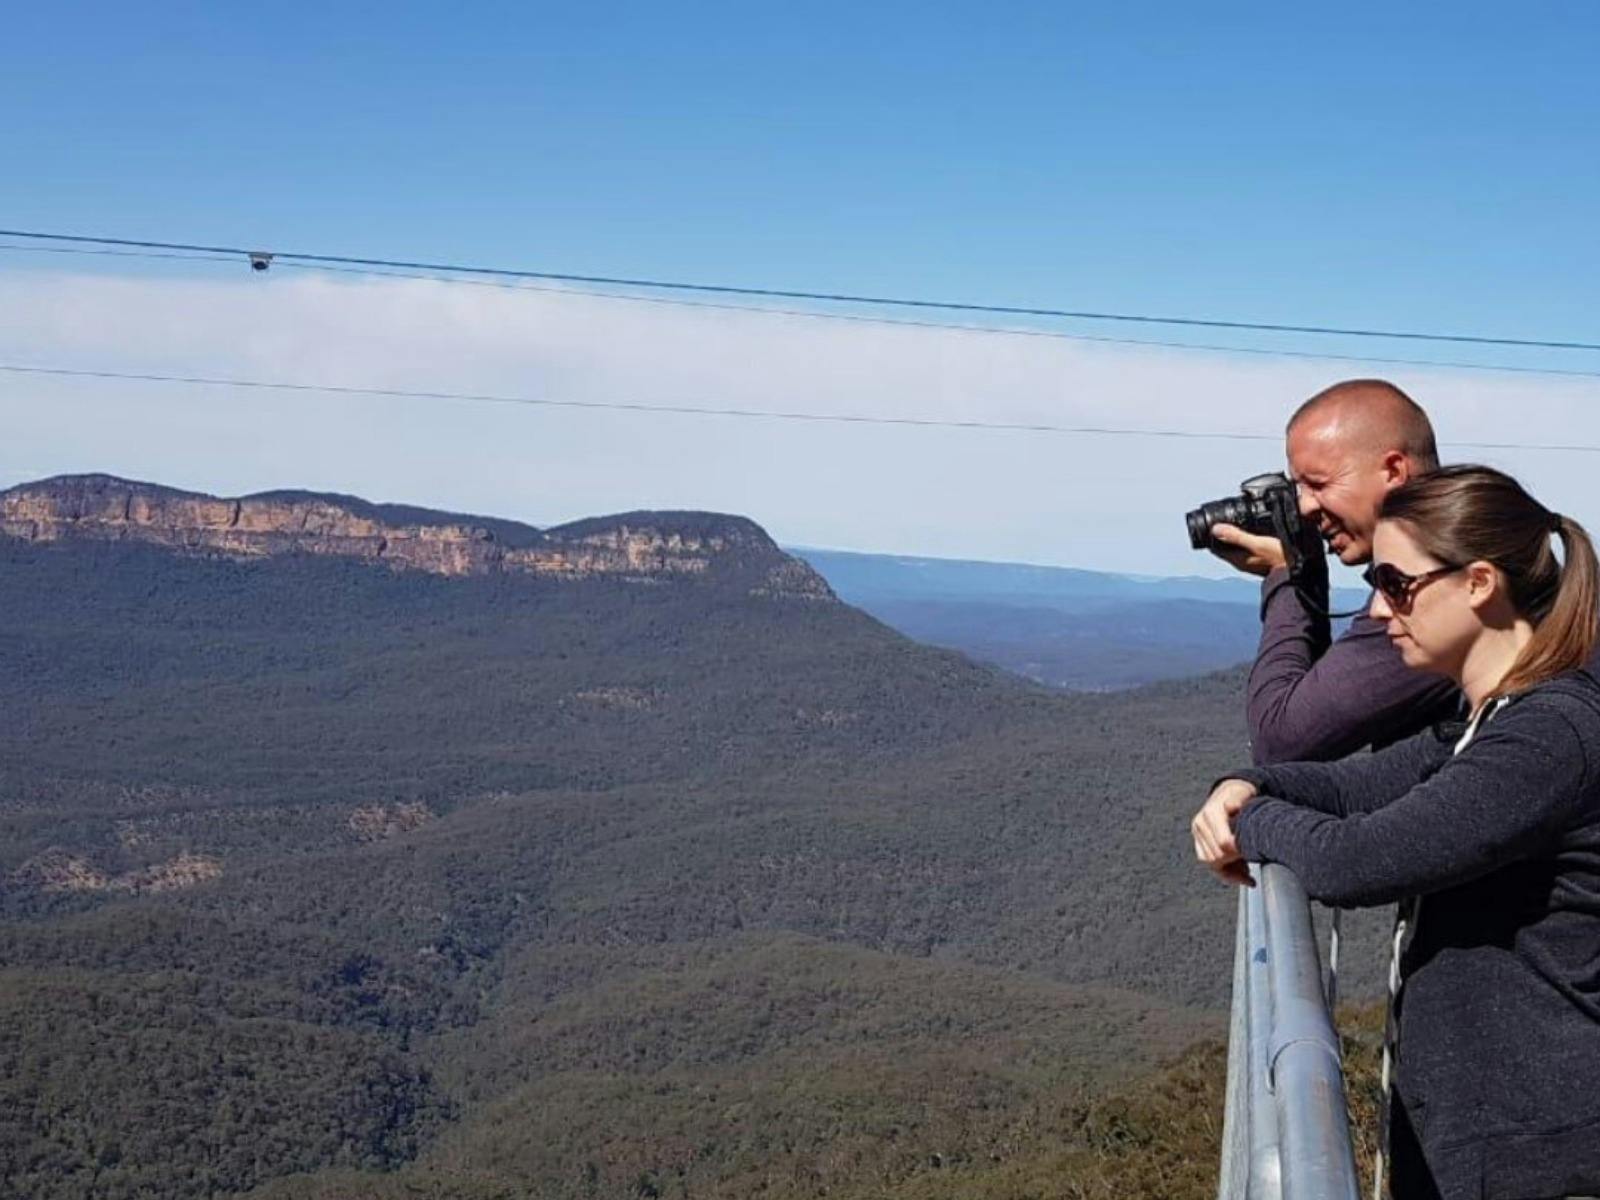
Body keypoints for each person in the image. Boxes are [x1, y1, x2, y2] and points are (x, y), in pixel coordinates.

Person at [1193, 465, 1600, 1199]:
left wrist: (1249, 821)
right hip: (1501, 1146)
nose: (1378, 612)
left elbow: (1357, 862)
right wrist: (1242, 784)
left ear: (1479, 583)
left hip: (1543, 1157)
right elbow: (1349, 786)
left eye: (1397, 583)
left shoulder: (1550, 736)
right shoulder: (1487, 720)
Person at [1210, 379, 1458, 763]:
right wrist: (1304, 570)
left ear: (1394, 470)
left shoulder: (1436, 589)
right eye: (1298, 489)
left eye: (1319, 484)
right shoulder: (1466, 552)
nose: (1306, 508)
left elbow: (1280, 741)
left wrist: (1286, 574)